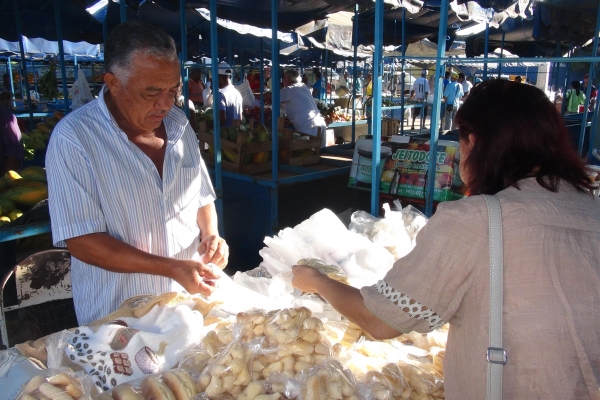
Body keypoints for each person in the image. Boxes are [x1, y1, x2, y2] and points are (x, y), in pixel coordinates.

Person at [291, 79, 600, 399]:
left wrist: (318, 281)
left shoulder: (476, 221)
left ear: (475, 142)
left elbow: (380, 320)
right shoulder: (591, 208)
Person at [46, 20, 228, 326]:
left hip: (186, 307)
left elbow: (201, 194)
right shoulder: (74, 138)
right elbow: (82, 240)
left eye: (174, 90)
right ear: (113, 83)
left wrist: (211, 234)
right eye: (151, 92)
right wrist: (171, 267)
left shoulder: (179, 124)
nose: (165, 104)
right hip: (119, 318)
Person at [261, 69, 327, 146]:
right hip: (320, 123)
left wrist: (255, 96)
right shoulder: (303, 87)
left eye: (284, 77)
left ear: (289, 79)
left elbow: (271, 96)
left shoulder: (290, 90)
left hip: (308, 127)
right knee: (319, 153)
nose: (283, 80)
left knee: (308, 153)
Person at [0, 91, 23, 173]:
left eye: (7, 98)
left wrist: (8, 181)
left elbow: (14, 151)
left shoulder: (4, 115)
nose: (6, 101)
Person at [217, 62, 243, 128]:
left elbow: (222, 120)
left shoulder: (220, 94)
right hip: (235, 135)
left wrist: (209, 125)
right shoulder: (237, 93)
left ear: (218, 77)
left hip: (223, 135)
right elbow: (240, 118)